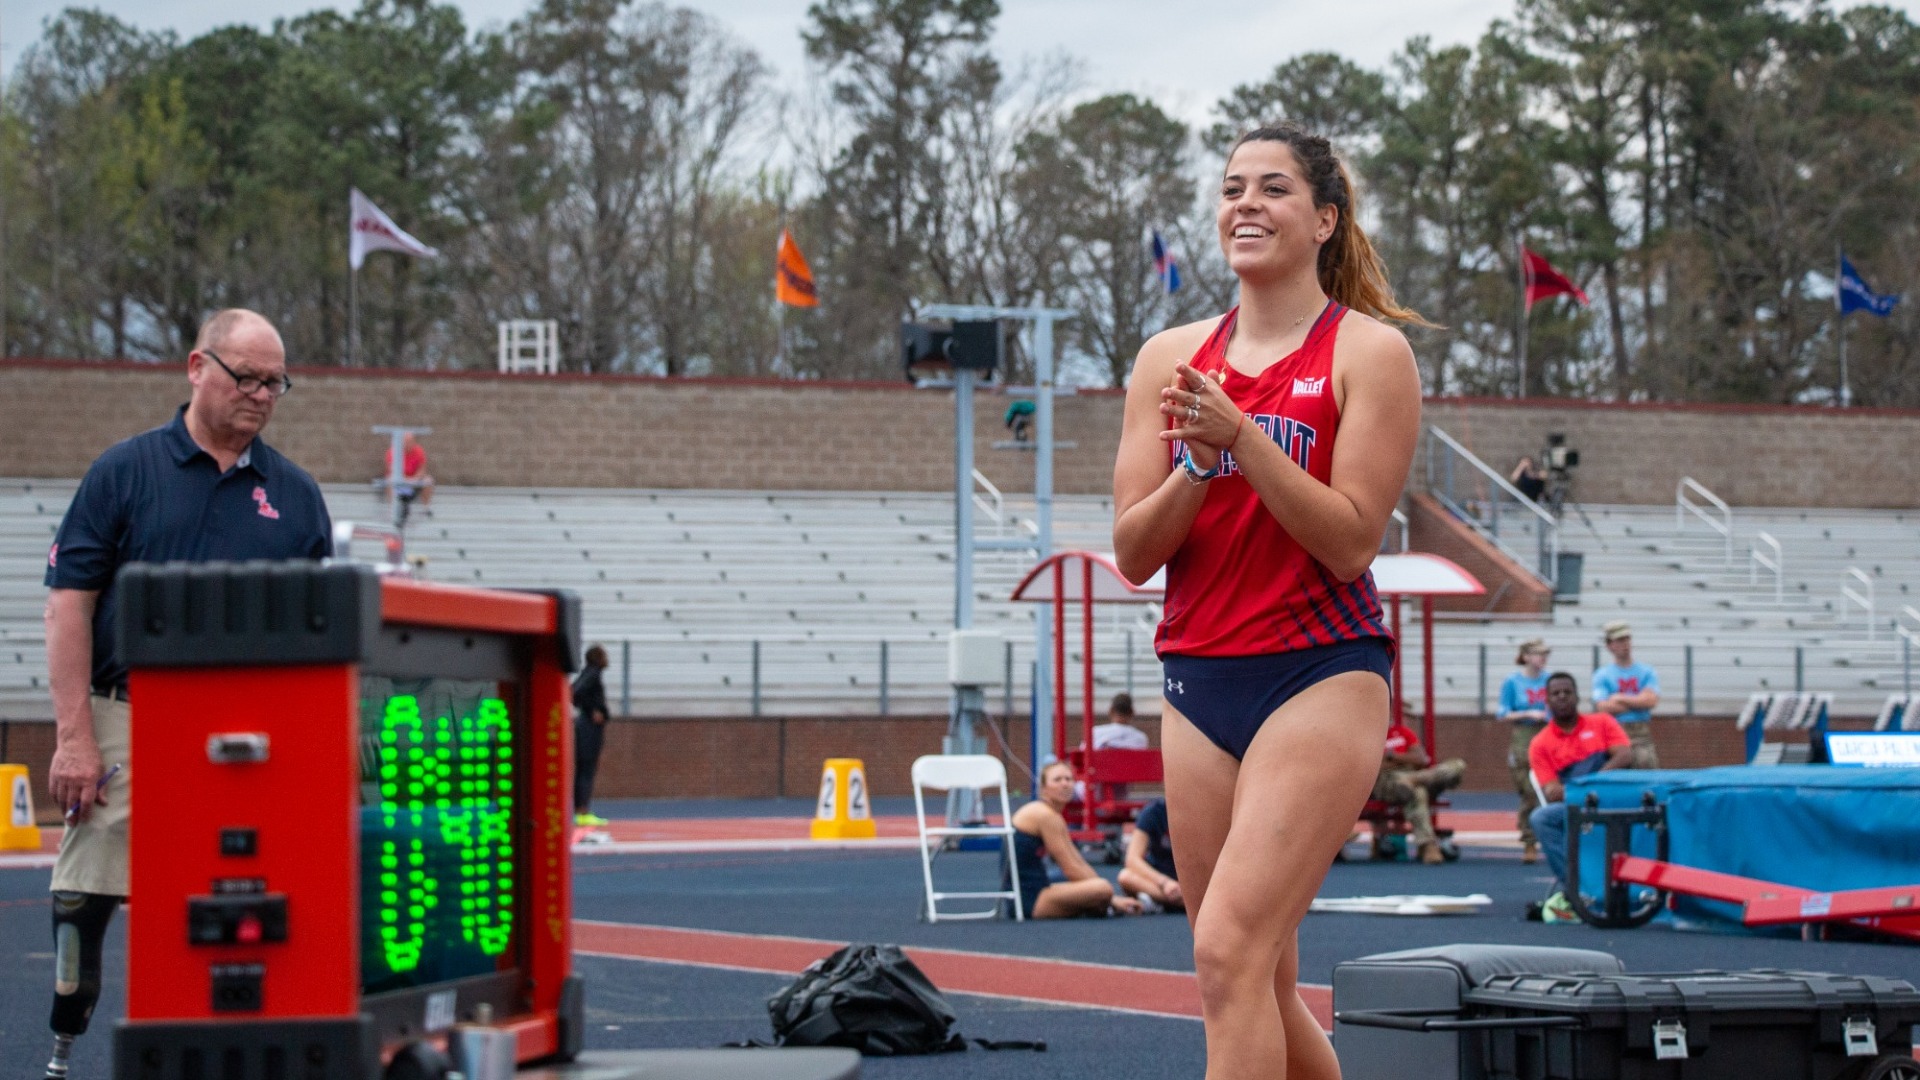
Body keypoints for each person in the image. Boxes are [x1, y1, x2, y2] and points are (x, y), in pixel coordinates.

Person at [1111, 122, 1426, 1079]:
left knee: (1226, 952)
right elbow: (1132, 551)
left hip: (1319, 675)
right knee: (1255, 975)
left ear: (1325, 218)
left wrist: (1244, 436)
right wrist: (1199, 465)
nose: (1246, 202)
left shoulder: (1369, 354)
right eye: (1232, 187)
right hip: (1199, 681)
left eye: (1274, 188)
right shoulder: (1170, 357)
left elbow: (1351, 539)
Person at [40, 309, 331, 1080]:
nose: (263, 395)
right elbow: (70, 600)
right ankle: (64, 1047)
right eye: (248, 377)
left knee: (238, 910)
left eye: (277, 383)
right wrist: (75, 735)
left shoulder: (297, 498)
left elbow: (318, 639)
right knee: (86, 894)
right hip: (130, 712)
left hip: (250, 731)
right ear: (198, 367)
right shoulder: (123, 471)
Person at [1527, 672, 1634, 919]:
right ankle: (1579, 889)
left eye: (1567, 692)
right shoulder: (1540, 744)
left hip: (1614, 800)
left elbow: (1625, 756)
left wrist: (1585, 783)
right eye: (1556, 693)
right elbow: (1552, 794)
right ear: (1547, 700)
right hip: (1576, 807)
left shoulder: (1603, 723)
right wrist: (1591, 786)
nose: (1562, 697)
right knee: (1541, 818)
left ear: (1577, 697)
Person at [1005, 761, 1144, 919]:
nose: (1064, 784)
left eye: (1068, 779)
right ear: (1044, 790)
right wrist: (1112, 897)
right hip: (1030, 901)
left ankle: (1103, 905)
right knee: (1102, 889)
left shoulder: (1052, 815)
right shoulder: (1044, 815)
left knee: (1097, 887)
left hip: (1036, 890)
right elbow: (1070, 867)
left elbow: (1077, 861)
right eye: (1057, 780)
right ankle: (1106, 905)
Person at [1371, 718, 1465, 865]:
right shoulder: (1371, 735)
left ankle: (1413, 780)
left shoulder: (1403, 733)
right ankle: (1428, 845)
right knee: (1418, 792)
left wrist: (1392, 756)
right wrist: (1405, 759)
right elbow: (1375, 766)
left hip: (1414, 774)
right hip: (1389, 780)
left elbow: (1420, 759)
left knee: (1457, 766)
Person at [1498, 639, 1553, 863]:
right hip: (1523, 735)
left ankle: (1548, 838)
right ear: (1527, 656)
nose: (1542, 659)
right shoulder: (1513, 681)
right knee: (1529, 790)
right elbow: (1503, 712)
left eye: (1544, 654)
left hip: (1548, 733)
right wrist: (1529, 713)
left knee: (1549, 787)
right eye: (1538, 654)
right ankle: (1529, 840)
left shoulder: (1550, 680)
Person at [1592, 620, 1661, 768]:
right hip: (1615, 731)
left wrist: (1619, 698)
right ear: (1610, 645)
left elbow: (1651, 701)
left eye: (1627, 639)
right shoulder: (1602, 675)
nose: (1625, 644)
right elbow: (1603, 707)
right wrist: (1638, 703)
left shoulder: (1646, 671)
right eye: (1620, 640)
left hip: (1641, 732)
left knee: (1646, 770)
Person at [1117, 796, 1182, 912]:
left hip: (1191, 881)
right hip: (1161, 879)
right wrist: (1164, 882)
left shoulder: (1202, 811)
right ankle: (1180, 902)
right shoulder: (1154, 811)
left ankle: (1167, 902)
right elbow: (1132, 859)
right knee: (1125, 876)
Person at [573, 644, 612, 827]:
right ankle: (582, 811)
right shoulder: (593, 673)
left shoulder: (588, 673)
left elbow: (574, 691)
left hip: (584, 725)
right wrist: (592, 710)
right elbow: (575, 692)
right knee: (587, 769)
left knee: (583, 769)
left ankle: (580, 810)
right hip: (589, 728)